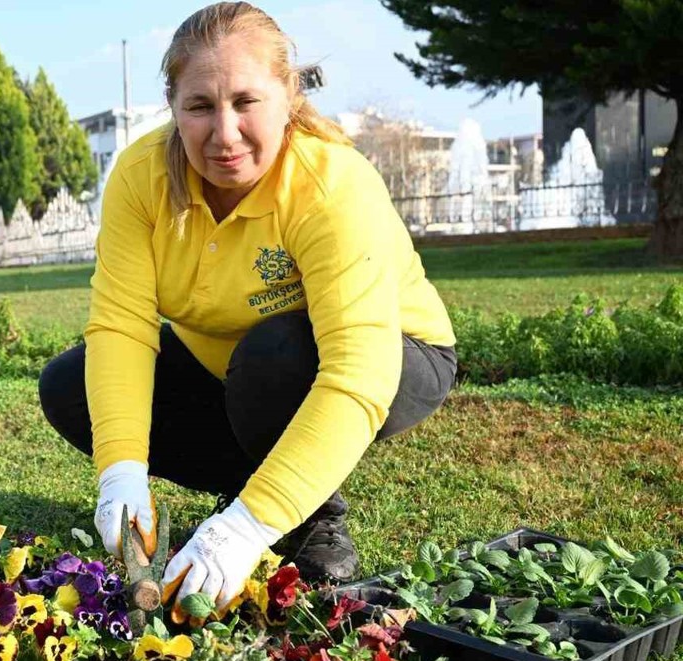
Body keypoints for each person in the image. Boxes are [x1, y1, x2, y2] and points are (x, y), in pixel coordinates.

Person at [37, 2, 457, 615]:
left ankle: (307, 519)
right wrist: (121, 469)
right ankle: (249, 485)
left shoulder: (330, 182)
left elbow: (357, 376)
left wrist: (249, 528)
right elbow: (122, 328)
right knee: (70, 386)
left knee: (274, 357)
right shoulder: (140, 177)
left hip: (392, 358)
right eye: (201, 106)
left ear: (288, 96)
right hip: (229, 363)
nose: (224, 133)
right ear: (173, 107)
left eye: (245, 102)